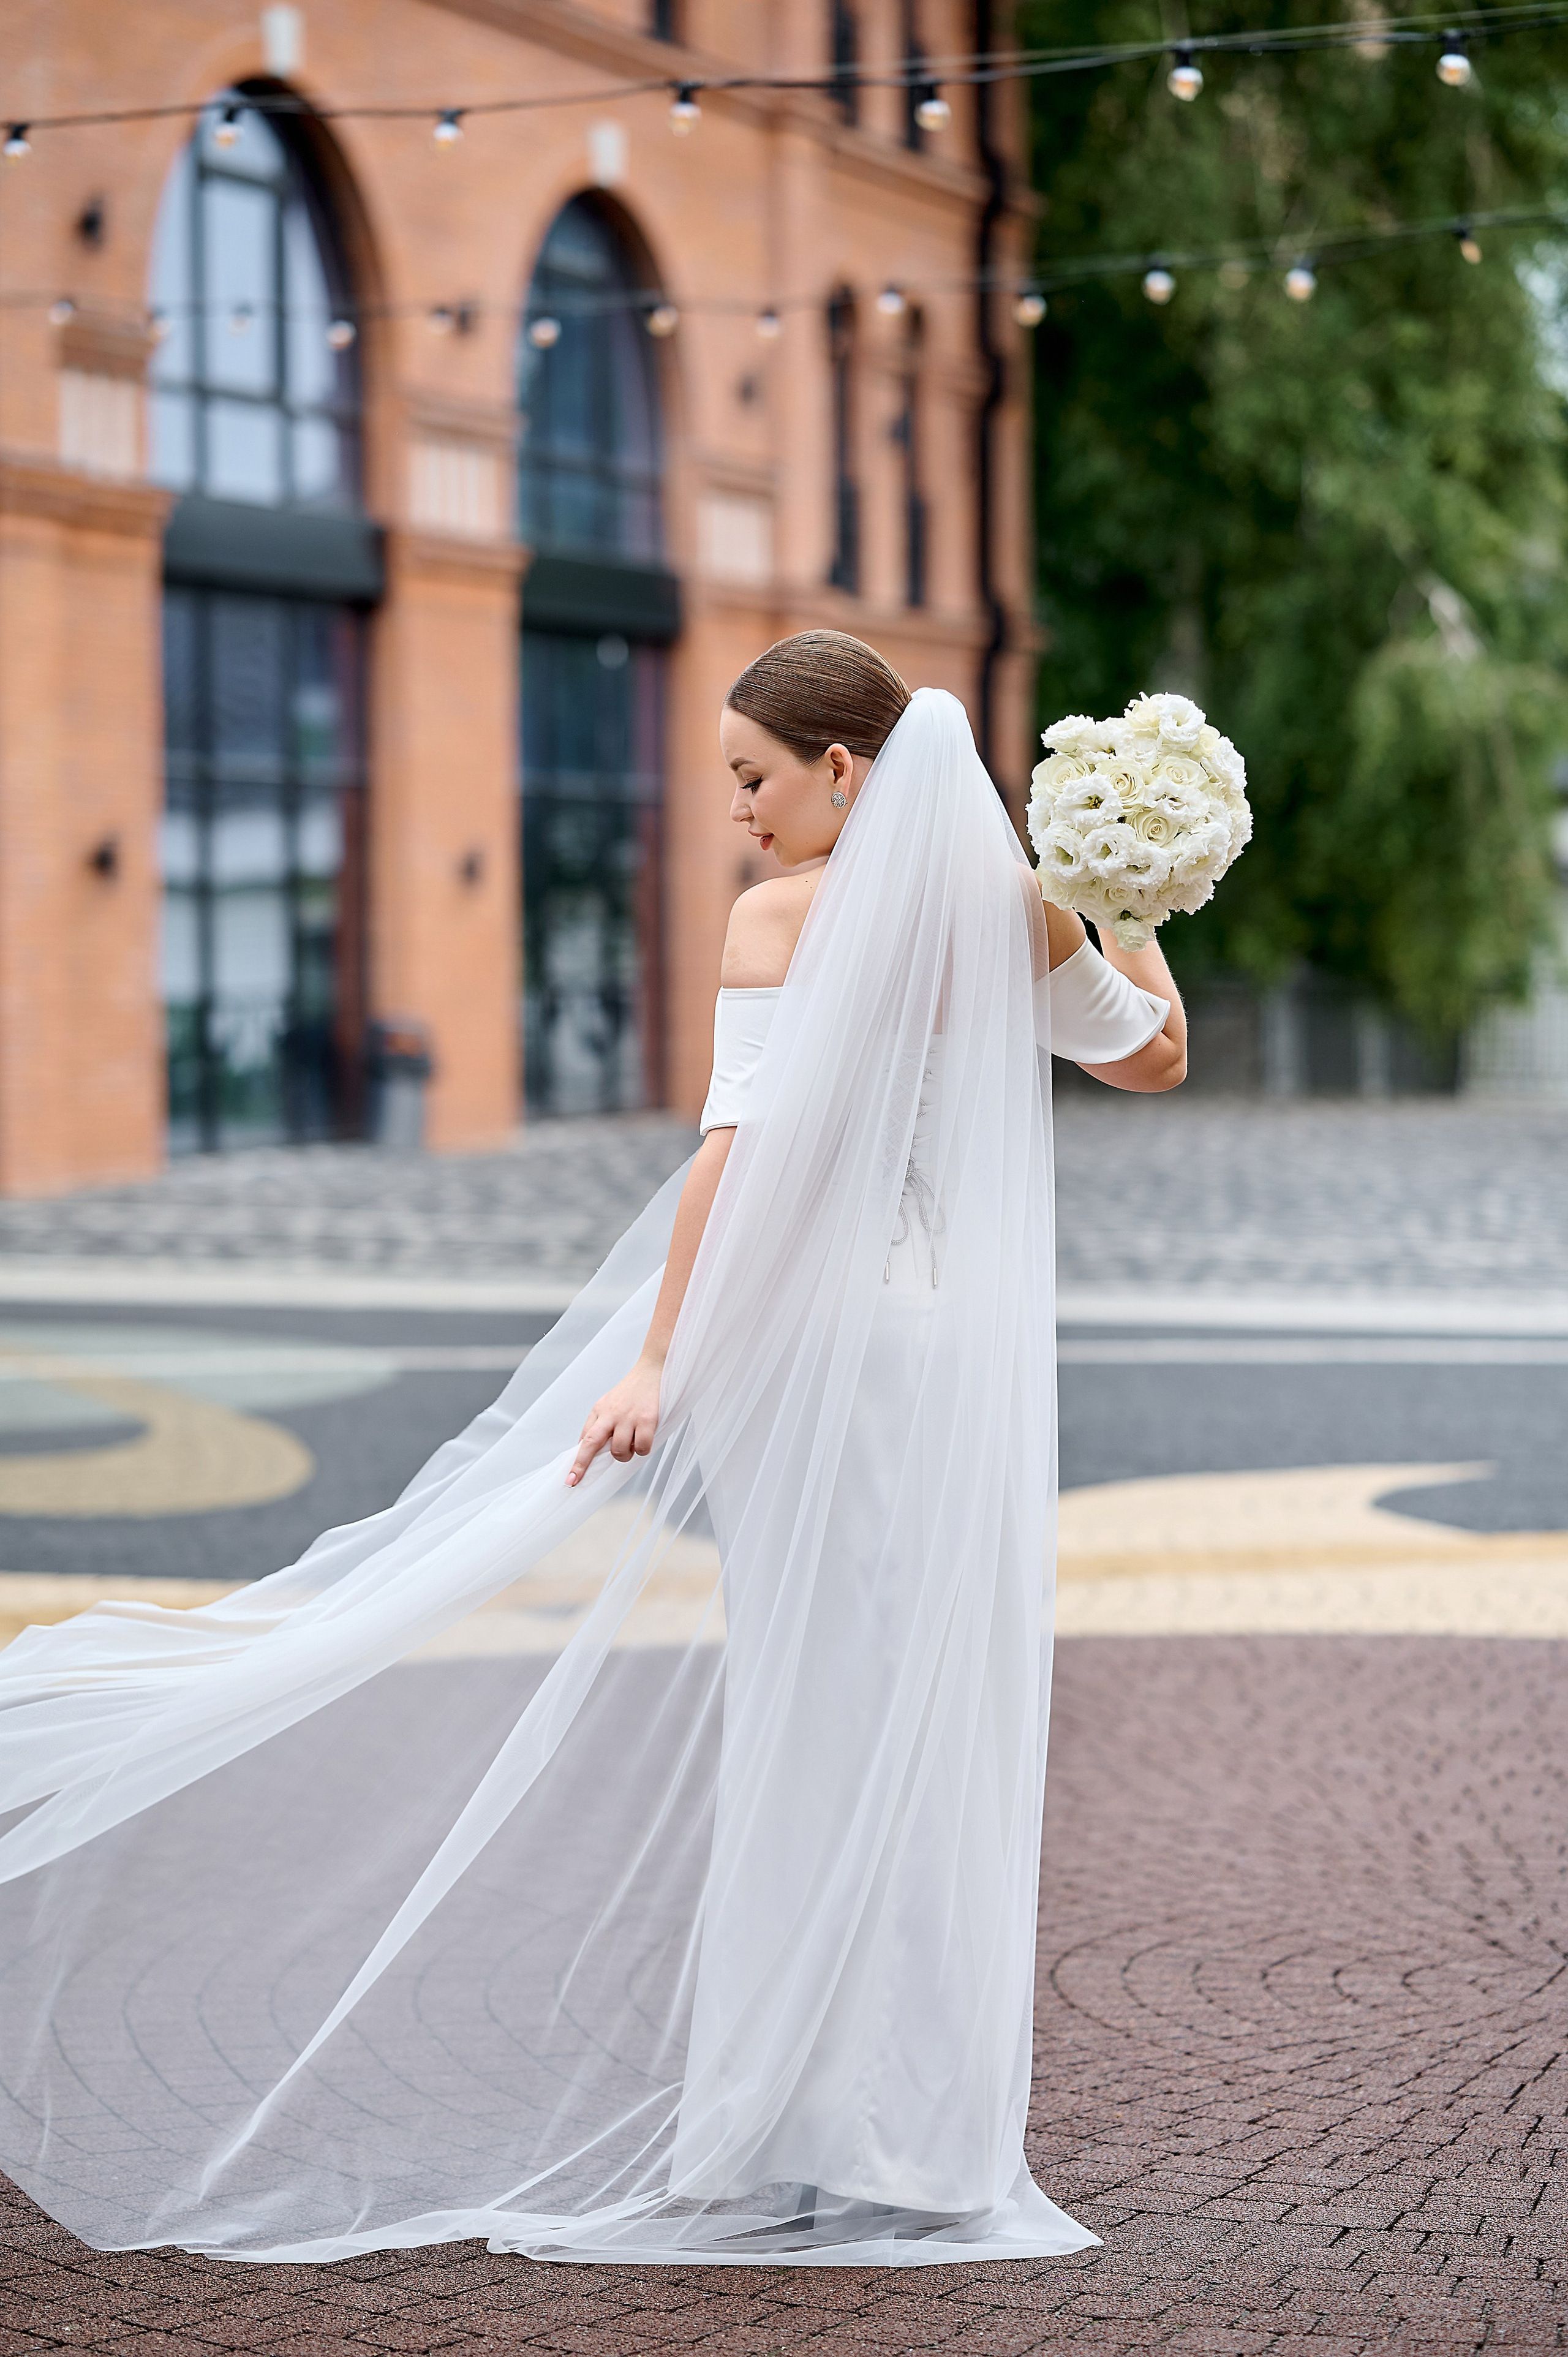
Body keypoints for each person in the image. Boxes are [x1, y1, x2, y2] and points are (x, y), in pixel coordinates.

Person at [0, 633, 1183, 2268]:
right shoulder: (1014, 913)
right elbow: (1148, 1056)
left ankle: (784, 2118)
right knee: (932, 1724)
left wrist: (655, 1359)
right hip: (945, 1367)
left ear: (846, 771)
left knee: (805, 1720)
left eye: (756, 779)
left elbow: (732, 1157)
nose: (740, 815)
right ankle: (915, 2130)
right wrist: (1139, 908)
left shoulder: (782, 923)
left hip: (816, 1360)